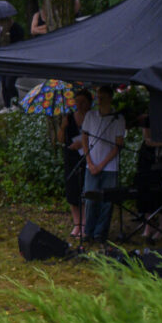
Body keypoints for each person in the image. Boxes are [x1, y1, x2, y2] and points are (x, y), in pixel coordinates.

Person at [82, 86, 126, 243]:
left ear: (109, 98)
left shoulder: (118, 118)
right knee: (90, 199)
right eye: (98, 97)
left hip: (109, 167)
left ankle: (100, 233)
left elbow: (118, 144)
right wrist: (90, 162)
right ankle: (88, 231)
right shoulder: (90, 115)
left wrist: (101, 165)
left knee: (107, 202)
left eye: (102, 97)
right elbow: (85, 138)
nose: (98, 100)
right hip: (91, 164)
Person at [57, 88, 92, 237]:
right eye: (77, 102)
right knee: (72, 189)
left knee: (84, 189)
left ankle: (84, 223)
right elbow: (59, 139)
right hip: (71, 156)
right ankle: (76, 223)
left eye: (83, 102)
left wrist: (83, 145)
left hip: (87, 156)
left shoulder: (92, 117)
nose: (80, 105)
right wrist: (63, 126)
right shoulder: (69, 117)